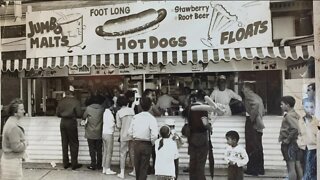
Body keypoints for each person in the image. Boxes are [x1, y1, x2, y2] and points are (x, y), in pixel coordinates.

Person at [129, 96, 158, 180]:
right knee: (144, 167)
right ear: (150, 106)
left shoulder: (135, 117)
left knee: (137, 166)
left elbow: (130, 132)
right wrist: (152, 143)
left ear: (140, 106)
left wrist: (134, 139)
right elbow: (155, 135)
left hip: (136, 143)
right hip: (147, 144)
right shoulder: (152, 119)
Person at [186, 90, 212, 180]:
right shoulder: (202, 109)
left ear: (196, 97)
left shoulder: (190, 108)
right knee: (200, 164)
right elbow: (205, 123)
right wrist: (210, 127)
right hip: (201, 137)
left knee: (193, 162)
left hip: (191, 137)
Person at [56, 85, 83, 170]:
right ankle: (74, 164)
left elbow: (57, 113)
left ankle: (65, 163)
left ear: (66, 92)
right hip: (71, 122)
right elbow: (79, 114)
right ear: (73, 92)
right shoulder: (76, 101)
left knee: (64, 143)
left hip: (63, 122)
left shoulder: (61, 101)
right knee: (74, 143)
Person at [241, 83, 265, 176]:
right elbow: (260, 107)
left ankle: (252, 169)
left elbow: (256, 104)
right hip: (259, 124)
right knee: (258, 147)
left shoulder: (248, 94)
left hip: (253, 124)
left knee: (251, 146)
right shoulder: (257, 96)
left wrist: (251, 117)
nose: (242, 90)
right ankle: (260, 169)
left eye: (243, 88)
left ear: (247, 88)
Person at [1, 99, 27, 180]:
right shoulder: (13, 127)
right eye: (21, 109)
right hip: (12, 163)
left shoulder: (10, 122)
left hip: (8, 160)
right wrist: (25, 143)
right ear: (15, 113)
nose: (24, 111)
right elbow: (16, 147)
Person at [279, 96, 303, 180]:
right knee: (297, 165)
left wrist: (287, 140)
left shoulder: (289, 116)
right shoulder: (295, 114)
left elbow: (295, 128)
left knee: (290, 167)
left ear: (287, 105)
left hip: (290, 144)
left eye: (282, 104)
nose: (280, 106)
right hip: (295, 143)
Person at [116, 95, 136, 178]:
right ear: (127, 102)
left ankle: (122, 173)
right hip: (132, 135)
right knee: (132, 153)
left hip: (123, 135)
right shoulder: (132, 110)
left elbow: (118, 126)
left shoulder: (119, 112)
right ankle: (134, 171)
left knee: (123, 153)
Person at [297, 98, 317, 180]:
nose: (309, 109)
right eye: (307, 107)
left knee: (310, 168)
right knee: (304, 167)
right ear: (303, 107)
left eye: (311, 107)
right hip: (302, 147)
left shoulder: (317, 121)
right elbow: (298, 133)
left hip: (313, 147)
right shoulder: (300, 121)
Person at [82, 97, 104, 170]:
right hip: (99, 132)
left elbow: (84, 117)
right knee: (99, 149)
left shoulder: (88, 108)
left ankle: (93, 164)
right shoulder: (102, 109)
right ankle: (99, 165)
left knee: (92, 149)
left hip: (90, 132)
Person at [101, 101, 117, 175]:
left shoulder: (105, 112)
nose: (114, 106)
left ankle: (104, 168)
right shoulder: (109, 114)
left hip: (104, 133)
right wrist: (114, 123)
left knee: (105, 151)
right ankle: (108, 169)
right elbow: (112, 124)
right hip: (109, 134)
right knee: (109, 152)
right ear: (110, 105)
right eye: (113, 104)